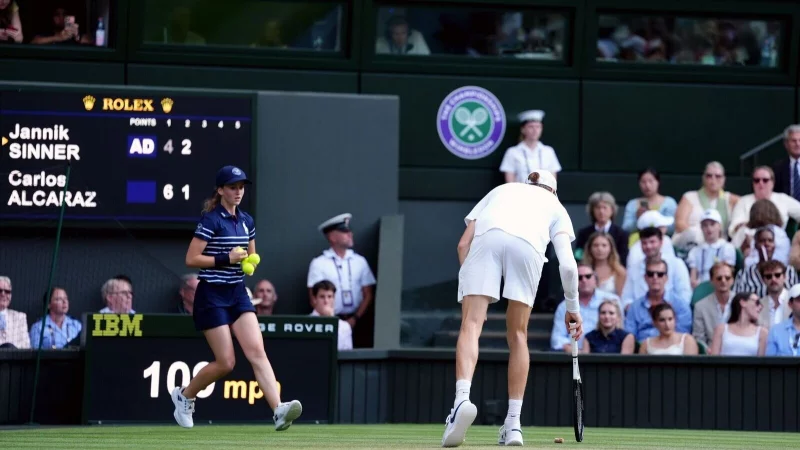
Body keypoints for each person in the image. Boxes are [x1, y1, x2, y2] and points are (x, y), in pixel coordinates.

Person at [441, 170, 582, 448]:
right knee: (518, 335)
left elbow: (462, 244)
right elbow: (567, 265)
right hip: (527, 248)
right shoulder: (556, 206)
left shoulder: (501, 191)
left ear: (528, 183)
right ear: (553, 191)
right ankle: (514, 424)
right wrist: (573, 306)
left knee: (471, 324)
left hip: (488, 240)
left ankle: (461, 400)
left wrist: (472, 278)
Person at [171, 165, 302, 431]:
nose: (238, 191)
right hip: (211, 296)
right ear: (220, 191)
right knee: (226, 363)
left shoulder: (247, 221)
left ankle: (278, 410)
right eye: (233, 187)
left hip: (238, 293)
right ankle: (184, 396)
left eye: (241, 187)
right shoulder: (210, 220)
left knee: (257, 351)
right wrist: (226, 258)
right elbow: (191, 258)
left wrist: (248, 262)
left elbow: (250, 256)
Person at [499, 110, 562, 184]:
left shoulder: (548, 151)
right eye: (531, 127)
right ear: (523, 129)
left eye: (538, 127)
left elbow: (553, 181)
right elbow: (509, 183)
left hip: (544, 194)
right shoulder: (512, 152)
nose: (535, 130)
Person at [709, 292, 767, 356]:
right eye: (757, 302)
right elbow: (714, 360)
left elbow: (762, 363)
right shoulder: (721, 329)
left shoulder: (762, 332)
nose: (760, 306)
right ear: (743, 302)